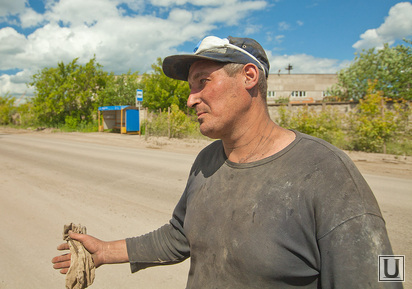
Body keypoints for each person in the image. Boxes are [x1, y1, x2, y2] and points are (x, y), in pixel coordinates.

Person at [53, 36, 401, 288]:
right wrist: (104, 251)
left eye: (203, 82)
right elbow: (180, 235)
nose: (191, 100)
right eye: (190, 88)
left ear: (250, 77)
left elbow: (384, 272)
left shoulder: (327, 171)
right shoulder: (207, 159)